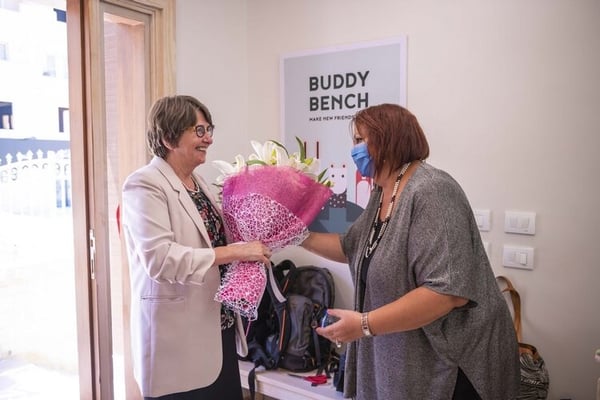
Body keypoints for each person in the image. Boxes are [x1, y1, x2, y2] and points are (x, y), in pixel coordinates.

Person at [302, 103, 520, 400]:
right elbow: (349, 247)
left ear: (389, 139)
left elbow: (446, 292)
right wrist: (294, 235)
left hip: (456, 359)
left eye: (359, 140)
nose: (354, 150)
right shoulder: (383, 192)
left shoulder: (432, 190)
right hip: (410, 355)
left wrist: (364, 325)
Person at [121, 95, 271, 399]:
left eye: (209, 130)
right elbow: (160, 260)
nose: (209, 139)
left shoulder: (197, 183)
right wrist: (237, 251)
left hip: (218, 333)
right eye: (199, 131)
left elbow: (214, 242)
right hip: (177, 345)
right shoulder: (144, 184)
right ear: (168, 137)